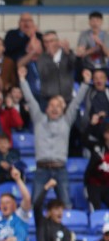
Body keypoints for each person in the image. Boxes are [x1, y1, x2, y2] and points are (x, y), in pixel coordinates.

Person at [18, 66, 91, 208]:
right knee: (35, 204)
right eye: (52, 105)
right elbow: (30, 99)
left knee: (66, 205)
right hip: (41, 169)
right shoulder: (39, 119)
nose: (55, 108)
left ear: (63, 109)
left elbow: (76, 103)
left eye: (58, 106)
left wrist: (85, 83)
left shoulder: (66, 121)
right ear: (46, 108)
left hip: (60, 169)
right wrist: (22, 80)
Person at [31, 31, 77, 105]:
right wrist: (52, 58)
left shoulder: (67, 54)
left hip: (66, 97)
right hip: (48, 98)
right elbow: (43, 73)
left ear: (57, 41)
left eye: (51, 41)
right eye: (46, 42)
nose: (48, 44)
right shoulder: (41, 57)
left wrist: (68, 53)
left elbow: (74, 65)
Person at [83, 116, 109, 210]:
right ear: (106, 134)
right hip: (93, 185)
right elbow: (84, 139)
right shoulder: (97, 146)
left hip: (107, 186)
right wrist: (91, 125)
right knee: (95, 210)